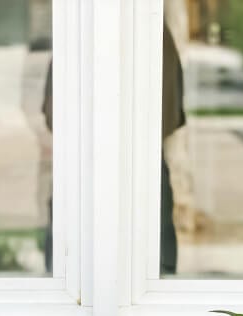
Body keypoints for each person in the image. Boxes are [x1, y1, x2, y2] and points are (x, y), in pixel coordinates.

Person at [42, 24, 185, 274]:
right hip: (125, 161)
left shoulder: (144, 23)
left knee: (72, 267)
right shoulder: (85, 21)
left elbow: (53, 112)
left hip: (121, 161)